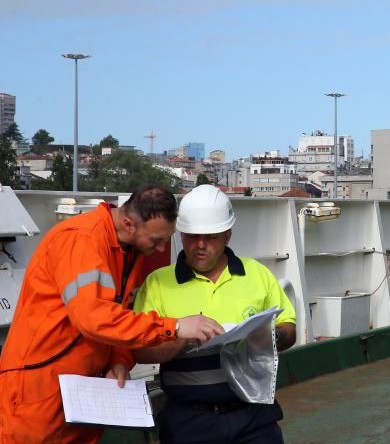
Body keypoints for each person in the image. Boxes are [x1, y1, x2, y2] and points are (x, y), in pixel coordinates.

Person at [0, 185, 224, 444]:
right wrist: (174, 327)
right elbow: (94, 318)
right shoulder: (81, 239)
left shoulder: (127, 249)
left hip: (82, 394)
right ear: (129, 224)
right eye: (156, 240)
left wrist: (118, 359)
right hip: (38, 391)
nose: (163, 249)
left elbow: (120, 314)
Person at [133, 184, 297, 444]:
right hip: (188, 422)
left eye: (211, 237)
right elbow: (140, 350)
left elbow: (289, 328)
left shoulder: (257, 274)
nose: (200, 245)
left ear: (227, 236)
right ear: (181, 234)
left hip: (254, 416)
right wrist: (183, 336)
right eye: (192, 236)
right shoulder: (158, 283)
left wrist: (267, 335)